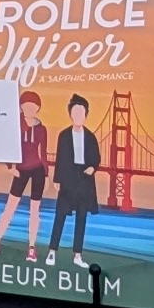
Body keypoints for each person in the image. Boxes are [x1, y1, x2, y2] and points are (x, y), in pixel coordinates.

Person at [0, 87, 53, 257]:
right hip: (20, 170)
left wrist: (46, 174)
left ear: (38, 108)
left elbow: (43, 152)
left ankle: (32, 248)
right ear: (21, 107)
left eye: (33, 106)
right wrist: (10, 167)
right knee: (10, 207)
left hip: (38, 170)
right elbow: (6, 146)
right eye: (26, 105)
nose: (29, 109)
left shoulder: (41, 129)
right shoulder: (15, 124)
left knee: (35, 210)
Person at [49, 93, 102, 255]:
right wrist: (57, 178)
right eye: (75, 112)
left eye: (81, 112)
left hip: (84, 179)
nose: (78, 115)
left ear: (86, 115)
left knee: (81, 217)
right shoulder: (64, 135)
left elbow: (96, 158)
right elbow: (60, 158)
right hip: (67, 177)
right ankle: (52, 251)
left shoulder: (91, 137)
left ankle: (77, 254)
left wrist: (93, 168)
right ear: (70, 114)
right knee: (60, 215)